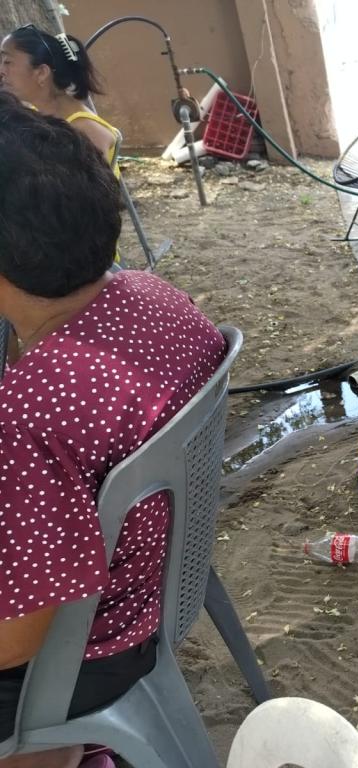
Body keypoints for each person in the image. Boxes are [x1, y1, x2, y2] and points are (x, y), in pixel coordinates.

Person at [0, 93, 226, 768]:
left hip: (85, 655)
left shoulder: (31, 407)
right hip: (158, 586)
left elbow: (16, 641)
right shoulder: (153, 297)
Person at [1, 25, 119, 168]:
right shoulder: (34, 114)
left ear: (42, 73)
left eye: (8, 62)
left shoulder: (85, 131)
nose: (1, 71)